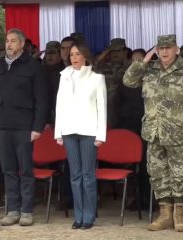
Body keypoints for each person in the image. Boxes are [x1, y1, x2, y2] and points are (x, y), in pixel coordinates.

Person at [123, 34, 183, 232]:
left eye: (169, 48)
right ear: (157, 51)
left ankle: (179, 216)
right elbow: (128, 81)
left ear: (177, 49)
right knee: (158, 173)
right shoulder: (149, 70)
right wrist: (142, 61)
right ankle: (165, 215)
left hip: (178, 131)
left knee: (179, 173)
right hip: (154, 131)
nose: (165, 52)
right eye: (161, 49)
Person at [0, 28, 48, 226]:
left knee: (26, 170)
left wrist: (37, 127)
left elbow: (42, 100)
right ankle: (12, 209)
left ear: (22, 44)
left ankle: (27, 211)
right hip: (2, 126)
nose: (9, 44)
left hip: (24, 126)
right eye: (7, 41)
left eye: (13, 41)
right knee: (8, 170)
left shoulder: (33, 66)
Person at [54, 44, 106, 230]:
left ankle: (89, 216)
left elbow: (102, 108)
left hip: (89, 132)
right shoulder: (64, 76)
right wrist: (58, 132)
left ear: (85, 56)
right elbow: (59, 106)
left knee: (88, 175)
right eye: (72, 54)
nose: (74, 57)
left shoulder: (97, 78)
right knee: (75, 176)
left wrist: (101, 134)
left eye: (78, 54)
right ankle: (78, 215)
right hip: (68, 131)